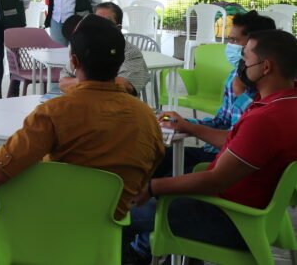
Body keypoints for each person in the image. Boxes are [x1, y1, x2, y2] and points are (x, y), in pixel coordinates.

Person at [0, 15, 164, 220]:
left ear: (74, 62)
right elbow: (145, 177)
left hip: (51, 222)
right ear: (121, 62)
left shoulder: (54, 113)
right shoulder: (147, 118)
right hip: (110, 229)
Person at [125, 30, 297, 264]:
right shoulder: (284, 104)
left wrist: (152, 188)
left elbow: (215, 180)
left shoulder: (266, 119)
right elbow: (238, 142)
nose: (241, 64)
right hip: (251, 214)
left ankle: (133, 256)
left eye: (245, 57)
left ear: (265, 67)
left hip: (230, 218)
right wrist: (189, 127)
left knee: (119, 209)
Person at [154, 10, 277, 176]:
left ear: (254, 46)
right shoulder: (234, 76)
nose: (229, 46)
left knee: (169, 179)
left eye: (234, 40)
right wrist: (179, 121)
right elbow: (221, 122)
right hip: (212, 151)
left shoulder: (269, 92)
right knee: (155, 159)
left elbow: (237, 144)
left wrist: (241, 94)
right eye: (229, 40)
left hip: (229, 164)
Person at [58, 2, 149, 97]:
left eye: (106, 22)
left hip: (116, 105)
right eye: (96, 21)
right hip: (80, 104)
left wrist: (81, 80)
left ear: (118, 28)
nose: (99, 26)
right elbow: (62, 83)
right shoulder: (83, 47)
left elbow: (124, 86)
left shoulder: (130, 52)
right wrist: (92, 82)